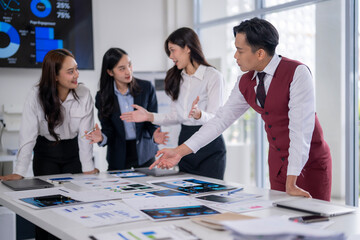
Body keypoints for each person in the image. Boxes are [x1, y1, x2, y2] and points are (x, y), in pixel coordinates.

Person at [149, 18, 332, 201]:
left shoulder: (297, 73)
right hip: (277, 162)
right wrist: (179, 151)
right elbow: (220, 120)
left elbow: (300, 130)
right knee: (284, 219)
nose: (235, 56)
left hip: (308, 162)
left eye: (240, 50)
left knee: (314, 221)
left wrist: (292, 181)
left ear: (260, 53)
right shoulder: (245, 81)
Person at [0, 49, 98, 239]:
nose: (77, 75)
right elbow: (27, 136)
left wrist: (88, 170)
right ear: (54, 75)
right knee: (47, 210)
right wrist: (19, 171)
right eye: (70, 71)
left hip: (73, 153)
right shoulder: (36, 96)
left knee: (75, 206)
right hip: (46, 152)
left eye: (76, 69)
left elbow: (85, 136)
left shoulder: (84, 94)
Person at [120, 27, 226, 179]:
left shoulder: (213, 76)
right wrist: (149, 116)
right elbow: (175, 116)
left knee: (212, 198)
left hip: (210, 145)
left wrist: (199, 115)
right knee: (187, 197)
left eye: (173, 50)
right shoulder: (177, 78)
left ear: (187, 48)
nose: (170, 56)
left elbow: (217, 119)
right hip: (185, 143)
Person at [85, 48, 168, 170]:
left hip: (145, 153)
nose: (128, 71)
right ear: (110, 72)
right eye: (121, 68)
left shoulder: (146, 88)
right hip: (118, 155)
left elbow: (152, 120)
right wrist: (102, 137)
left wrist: (155, 133)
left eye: (129, 65)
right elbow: (108, 129)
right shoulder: (103, 96)